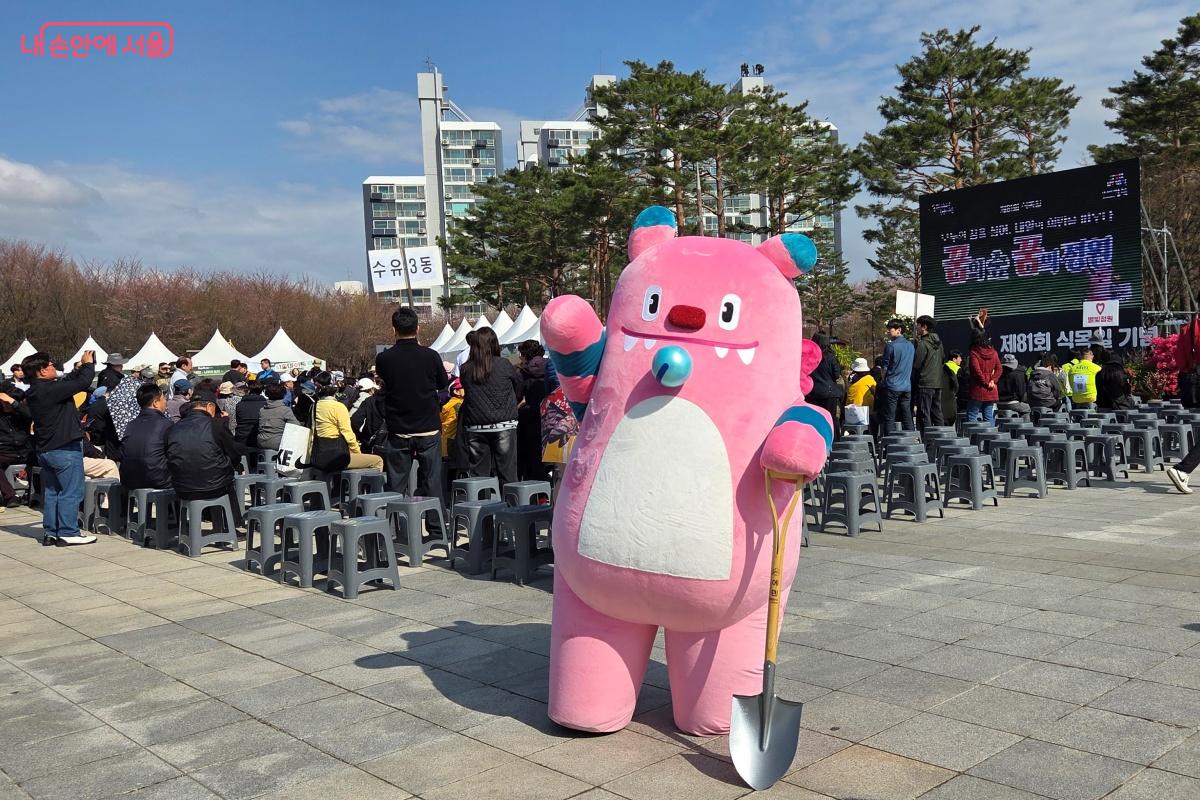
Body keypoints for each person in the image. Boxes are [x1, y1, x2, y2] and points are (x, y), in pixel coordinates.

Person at [22, 350, 97, 545]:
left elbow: (67, 383)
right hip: (64, 448)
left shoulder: (36, 390)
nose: (53, 367)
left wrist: (79, 368)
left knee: (54, 492)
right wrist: (88, 365)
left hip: (47, 450)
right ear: (41, 371)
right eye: (50, 365)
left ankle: (51, 532)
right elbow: (82, 383)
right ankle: (68, 531)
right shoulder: (49, 390)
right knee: (71, 491)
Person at [375, 307, 449, 500]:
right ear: (418, 328)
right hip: (428, 428)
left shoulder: (384, 358)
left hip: (398, 428)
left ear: (394, 330)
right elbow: (442, 384)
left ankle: (394, 527)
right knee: (433, 483)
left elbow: (384, 385)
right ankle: (436, 529)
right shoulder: (431, 356)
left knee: (396, 485)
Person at [166, 396, 248, 526]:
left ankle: (204, 519)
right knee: (223, 478)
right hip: (215, 486)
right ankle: (231, 525)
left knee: (211, 472)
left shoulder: (174, 427)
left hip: (182, 486)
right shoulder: (216, 425)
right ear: (209, 407)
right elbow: (233, 453)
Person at [459, 327, 522, 485]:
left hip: (476, 427)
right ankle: (510, 508)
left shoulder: (466, 369)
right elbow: (518, 388)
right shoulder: (504, 364)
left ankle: (481, 508)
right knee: (508, 474)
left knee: (479, 478)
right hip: (504, 424)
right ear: (495, 344)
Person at [314, 383, 384, 470]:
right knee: (378, 461)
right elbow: (348, 433)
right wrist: (358, 452)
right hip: (336, 455)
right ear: (336, 394)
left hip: (317, 454)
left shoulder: (314, 406)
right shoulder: (339, 407)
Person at [119, 384, 173, 490]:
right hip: (158, 479)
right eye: (163, 399)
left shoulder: (131, 424)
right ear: (156, 403)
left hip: (129, 479)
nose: (165, 402)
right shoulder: (166, 424)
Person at [516, 340, 550, 480]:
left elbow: (517, 394)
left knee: (529, 456)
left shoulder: (521, 372)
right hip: (548, 415)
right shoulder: (550, 367)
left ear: (524, 355)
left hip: (528, 417)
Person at [879, 319, 915, 432]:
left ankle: (888, 444)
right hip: (906, 386)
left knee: (890, 416)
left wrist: (883, 379)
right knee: (907, 415)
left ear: (898, 330)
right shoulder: (911, 346)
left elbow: (884, 367)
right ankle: (912, 439)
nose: (888, 332)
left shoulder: (890, 346)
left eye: (890, 329)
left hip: (892, 385)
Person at [807, 333, 844, 439]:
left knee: (814, 420)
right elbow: (836, 375)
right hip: (829, 393)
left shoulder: (809, 356)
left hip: (812, 392)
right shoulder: (830, 356)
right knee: (831, 420)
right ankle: (835, 445)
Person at [0, 385, 32, 507]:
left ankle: (32, 494)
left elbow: (31, 415)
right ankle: (10, 496)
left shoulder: (23, 413)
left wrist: (14, 403)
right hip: (6, 451)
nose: (5, 405)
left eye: (8, 403)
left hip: (26, 450)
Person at [912, 315, 945, 429]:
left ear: (924, 327)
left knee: (924, 412)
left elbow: (917, 364)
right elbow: (942, 358)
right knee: (937, 412)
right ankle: (941, 436)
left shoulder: (923, 344)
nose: (916, 327)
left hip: (925, 382)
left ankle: (927, 439)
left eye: (918, 325)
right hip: (937, 382)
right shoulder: (938, 343)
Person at [966, 326, 1002, 423]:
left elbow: (977, 371)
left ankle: (973, 438)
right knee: (988, 416)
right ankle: (989, 437)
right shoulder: (993, 352)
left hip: (977, 389)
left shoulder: (974, 352)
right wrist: (993, 381)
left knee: (972, 416)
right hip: (991, 389)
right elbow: (999, 369)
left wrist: (986, 383)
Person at [256, 381, 293, 450]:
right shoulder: (285, 410)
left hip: (261, 442)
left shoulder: (262, 410)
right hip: (278, 443)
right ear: (283, 394)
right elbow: (296, 425)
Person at [996, 354, 1031, 419]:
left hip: (999, 403)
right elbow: (1021, 392)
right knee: (1027, 408)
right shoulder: (1017, 374)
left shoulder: (998, 372)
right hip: (1012, 403)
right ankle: (1024, 427)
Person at [234, 381, 267, 445]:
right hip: (260, 438)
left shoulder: (240, 405)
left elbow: (237, 420)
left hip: (241, 438)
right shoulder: (266, 405)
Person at [941, 350, 963, 426]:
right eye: (959, 358)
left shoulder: (943, 366)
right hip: (951, 398)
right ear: (954, 359)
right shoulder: (957, 369)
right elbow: (957, 385)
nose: (961, 360)